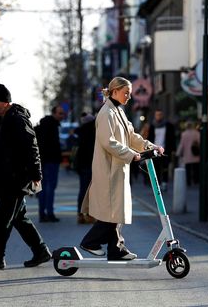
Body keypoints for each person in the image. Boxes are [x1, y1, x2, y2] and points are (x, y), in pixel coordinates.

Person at [80, 77, 164, 261]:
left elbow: (131, 135)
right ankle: (90, 241)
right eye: (126, 93)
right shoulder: (106, 113)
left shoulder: (118, 110)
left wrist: (151, 147)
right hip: (109, 170)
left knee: (116, 211)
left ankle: (115, 249)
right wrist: (130, 154)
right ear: (115, 91)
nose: (128, 96)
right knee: (112, 212)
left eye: (130, 93)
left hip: (117, 169)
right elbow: (108, 142)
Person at [0, 84, 52, 269]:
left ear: (4, 102)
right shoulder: (0, 120)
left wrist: (36, 174)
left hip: (15, 178)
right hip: (5, 178)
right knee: (19, 217)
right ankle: (40, 251)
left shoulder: (17, 119)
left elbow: (31, 147)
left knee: (2, 217)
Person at [35, 105, 65, 222]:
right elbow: (51, 145)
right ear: (54, 113)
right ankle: (49, 213)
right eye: (60, 113)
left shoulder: (44, 124)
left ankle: (42, 213)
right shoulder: (51, 125)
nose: (62, 116)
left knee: (43, 188)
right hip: (50, 161)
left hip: (43, 160)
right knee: (50, 187)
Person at [74, 113, 96, 224]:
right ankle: (89, 214)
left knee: (83, 190)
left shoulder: (81, 131)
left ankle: (81, 214)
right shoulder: (93, 132)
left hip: (82, 164)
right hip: (91, 164)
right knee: (91, 191)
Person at [148, 109, 176, 190]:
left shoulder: (169, 126)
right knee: (156, 168)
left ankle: (164, 183)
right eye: (157, 115)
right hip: (154, 150)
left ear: (162, 115)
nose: (158, 116)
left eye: (160, 114)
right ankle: (158, 184)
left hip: (165, 150)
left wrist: (173, 150)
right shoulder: (152, 126)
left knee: (165, 167)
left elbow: (172, 138)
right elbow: (150, 138)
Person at [177, 120, 201, 186]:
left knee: (188, 169)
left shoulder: (184, 134)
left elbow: (181, 144)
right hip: (195, 153)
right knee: (196, 168)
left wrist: (178, 153)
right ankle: (196, 181)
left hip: (187, 154)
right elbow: (200, 143)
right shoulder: (196, 133)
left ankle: (188, 182)